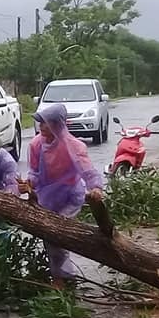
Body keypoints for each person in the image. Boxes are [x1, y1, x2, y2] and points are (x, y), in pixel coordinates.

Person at [22, 103, 105, 287]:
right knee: (50, 235)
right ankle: (64, 276)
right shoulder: (36, 145)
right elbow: (34, 172)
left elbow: (87, 170)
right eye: (40, 123)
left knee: (56, 233)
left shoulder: (74, 146)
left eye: (46, 123)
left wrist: (96, 188)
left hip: (70, 197)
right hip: (48, 198)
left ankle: (61, 277)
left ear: (57, 124)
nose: (42, 127)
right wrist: (28, 184)